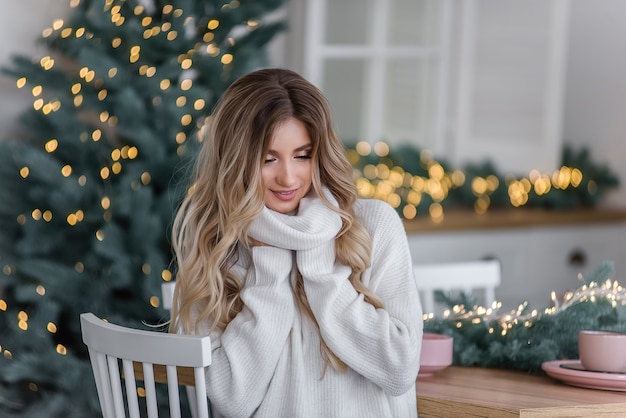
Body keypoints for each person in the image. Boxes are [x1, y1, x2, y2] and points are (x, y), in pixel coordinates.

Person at [170, 68, 423, 417]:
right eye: (268, 159)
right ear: (236, 161)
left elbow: (399, 370)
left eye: (302, 155)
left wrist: (318, 263)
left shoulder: (374, 226)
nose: (288, 177)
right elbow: (232, 399)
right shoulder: (215, 244)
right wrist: (268, 267)